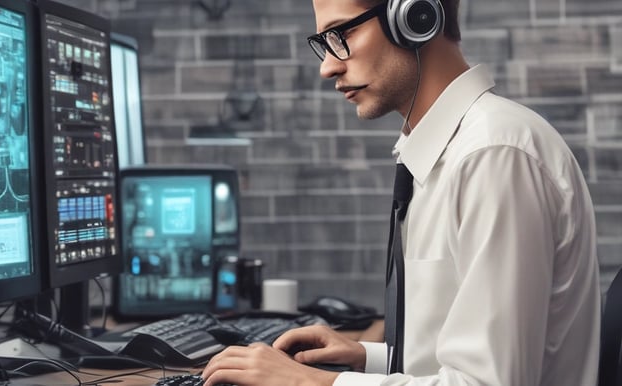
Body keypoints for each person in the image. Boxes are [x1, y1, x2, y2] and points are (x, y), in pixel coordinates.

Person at [201, 0, 601, 385]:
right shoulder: (445, 149)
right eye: (323, 44)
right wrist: (368, 357)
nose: (327, 66)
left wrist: (313, 383)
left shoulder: (493, 156)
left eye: (341, 33)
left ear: (414, 15)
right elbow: (457, 356)